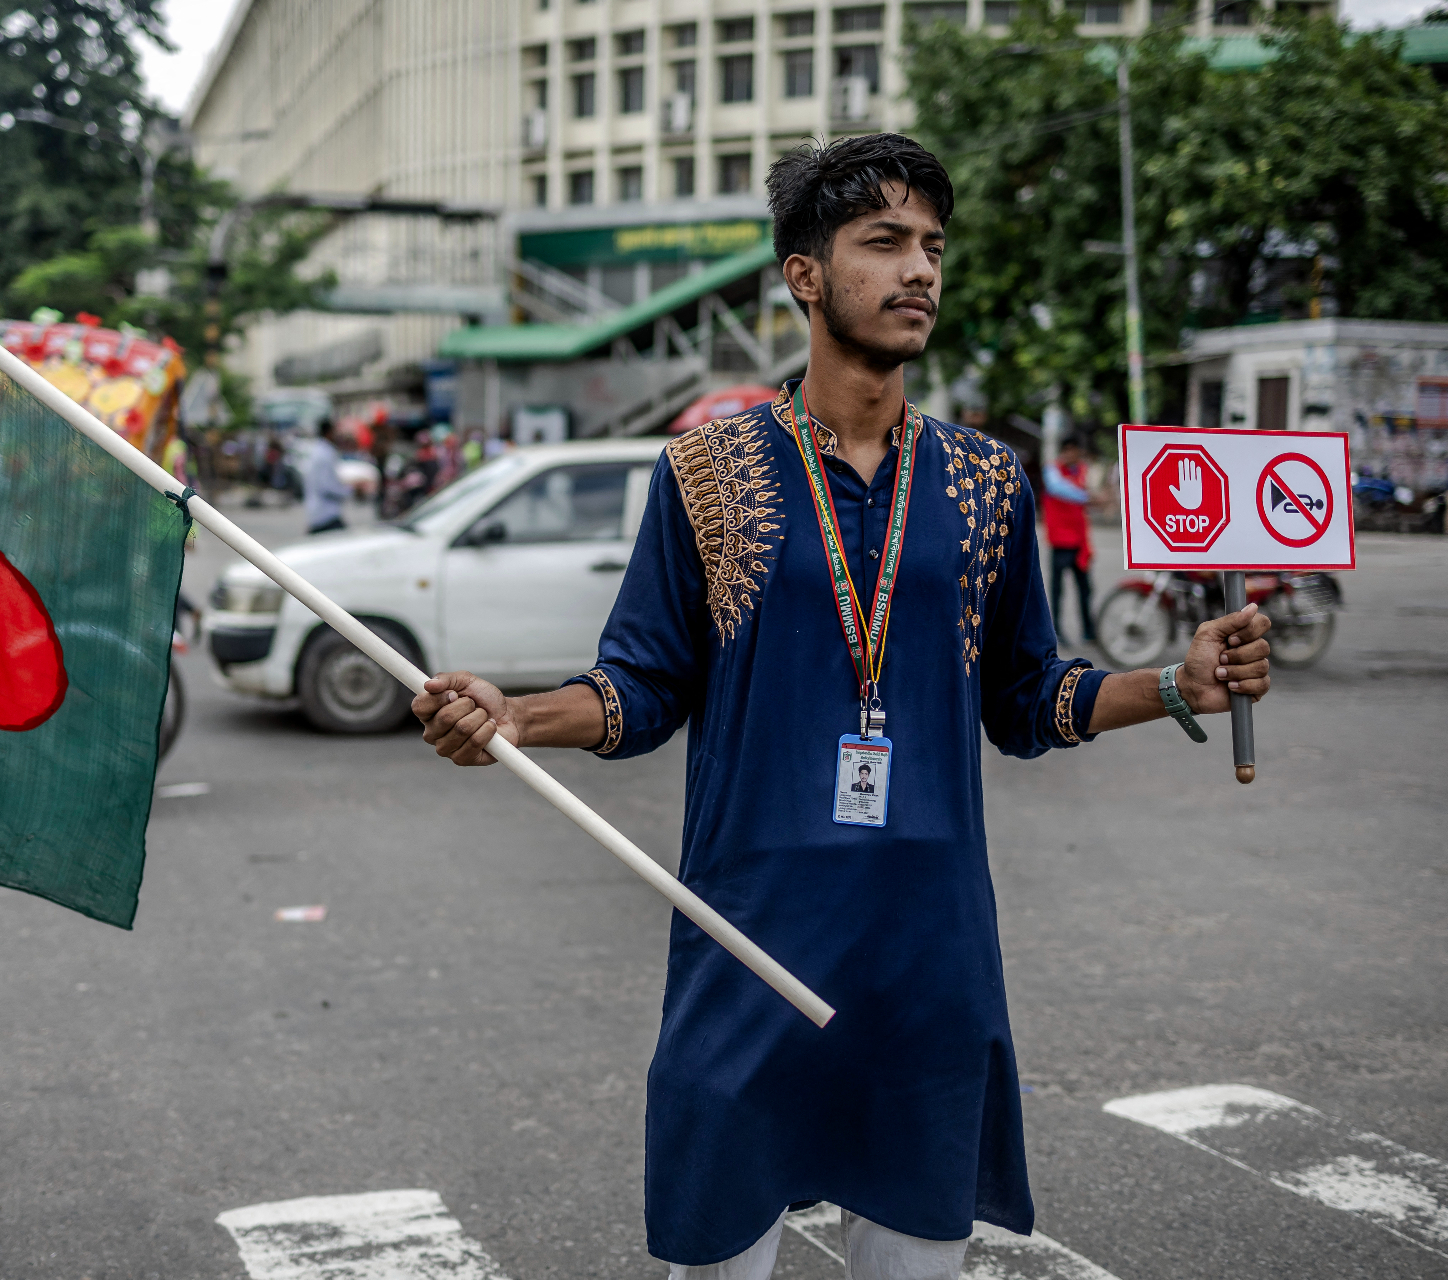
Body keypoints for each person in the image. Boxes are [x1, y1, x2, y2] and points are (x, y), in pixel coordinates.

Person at [411, 134, 1273, 1280]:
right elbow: (641, 684)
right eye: (883, 243)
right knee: (718, 1251)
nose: (918, 269)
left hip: (926, 944)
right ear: (804, 274)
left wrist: (1174, 682)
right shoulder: (704, 472)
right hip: (747, 929)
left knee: (916, 1252)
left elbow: (1026, 696)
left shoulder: (983, 480)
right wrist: (514, 716)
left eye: (930, 247)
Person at [1041, 436, 1097, 644]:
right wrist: (1088, 498)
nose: (1071, 455)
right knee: (1057, 591)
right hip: (1060, 541)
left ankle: (1089, 630)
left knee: (1085, 589)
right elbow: (1058, 488)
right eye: (1068, 450)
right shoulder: (1052, 470)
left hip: (1079, 542)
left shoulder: (1081, 470)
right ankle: (1055, 630)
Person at [302, 417, 350, 535]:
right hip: (326, 515)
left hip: (318, 513)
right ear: (329, 433)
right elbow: (327, 486)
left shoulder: (316, 450)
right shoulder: (326, 453)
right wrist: (350, 492)